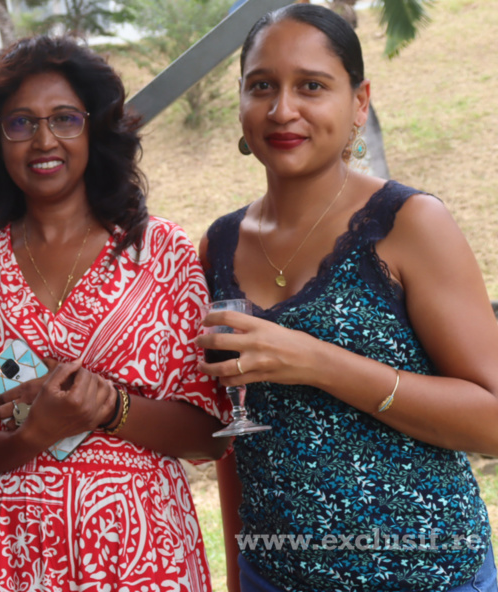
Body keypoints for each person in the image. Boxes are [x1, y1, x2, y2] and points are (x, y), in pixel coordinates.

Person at [0, 36, 231, 591]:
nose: (43, 140)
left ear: (96, 129)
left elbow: (212, 434)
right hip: (10, 561)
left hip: (141, 560)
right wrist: (29, 437)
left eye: (65, 118)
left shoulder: (162, 254)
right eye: (20, 123)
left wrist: (107, 404)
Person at [198, 5, 498, 592]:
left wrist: (320, 363)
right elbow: (235, 436)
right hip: (273, 575)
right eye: (262, 86)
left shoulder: (408, 223)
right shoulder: (219, 245)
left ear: (359, 102)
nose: (282, 109)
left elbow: (493, 420)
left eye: (311, 86)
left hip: (428, 575)